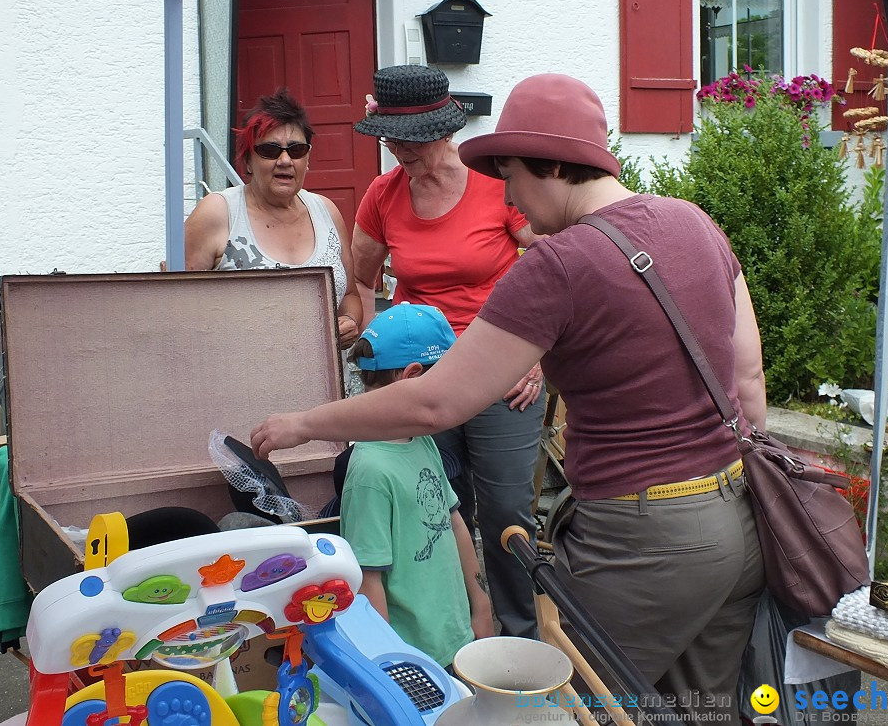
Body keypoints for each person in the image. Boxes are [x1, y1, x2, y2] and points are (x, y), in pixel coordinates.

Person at [252, 73, 768, 724]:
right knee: (697, 710)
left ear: (551, 164)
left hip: (642, 540)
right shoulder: (694, 224)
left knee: (569, 708)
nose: (511, 197)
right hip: (736, 520)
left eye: (513, 174)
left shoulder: (559, 264)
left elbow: (434, 404)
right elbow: (749, 388)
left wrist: (305, 422)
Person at [350, 64, 544, 639]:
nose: (398, 150)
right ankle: (448, 634)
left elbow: (555, 264)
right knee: (434, 510)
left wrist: (536, 353)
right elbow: (363, 280)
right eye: (390, 138)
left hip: (500, 371)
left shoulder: (495, 186)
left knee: (506, 511)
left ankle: (515, 640)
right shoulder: (383, 197)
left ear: (443, 128)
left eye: (409, 138)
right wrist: (371, 349)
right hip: (422, 377)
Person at [339, 301, 493, 667]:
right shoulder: (370, 473)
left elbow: (454, 521)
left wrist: (482, 605)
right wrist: (391, 667)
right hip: (414, 663)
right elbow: (367, 580)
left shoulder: (421, 440)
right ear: (411, 377)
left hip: (456, 641)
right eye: (450, 381)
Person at [183, 87, 361, 348]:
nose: (285, 160)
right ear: (247, 162)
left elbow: (350, 295)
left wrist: (349, 321)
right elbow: (178, 308)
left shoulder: (326, 212)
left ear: (308, 159)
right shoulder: (218, 213)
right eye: (269, 150)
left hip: (325, 382)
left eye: (297, 149)